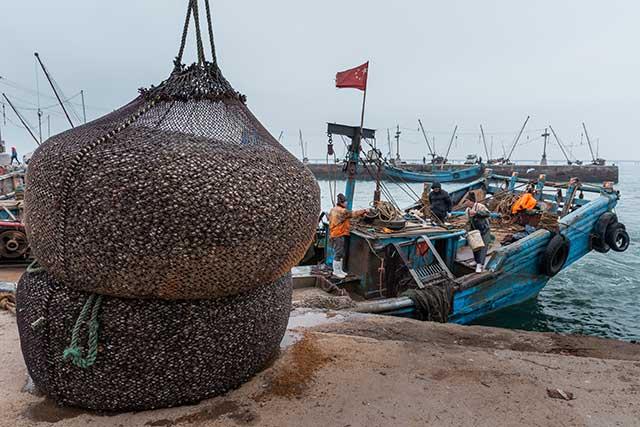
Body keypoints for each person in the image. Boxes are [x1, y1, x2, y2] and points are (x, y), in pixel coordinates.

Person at [328, 193, 366, 279]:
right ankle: (336, 272)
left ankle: (340, 270)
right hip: (338, 234)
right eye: (345, 202)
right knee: (338, 253)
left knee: (340, 252)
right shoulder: (343, 211)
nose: (347, 204)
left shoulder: (333, 209)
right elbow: (353, 214)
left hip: (334, 233)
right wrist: (364, 211)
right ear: (342, 202)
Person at [463, 193, 492, 273]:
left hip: (484, 230)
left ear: (471, 201)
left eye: (467, 201)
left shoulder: (480, 206)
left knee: (483, 247)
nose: (465, 203)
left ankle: (480, 265)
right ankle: (476, 261)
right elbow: (468, 221)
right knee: (475, 246)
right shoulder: (467, 210)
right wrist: (467, 231)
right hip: (474, 230)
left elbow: (488, 214)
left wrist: (477, 213)